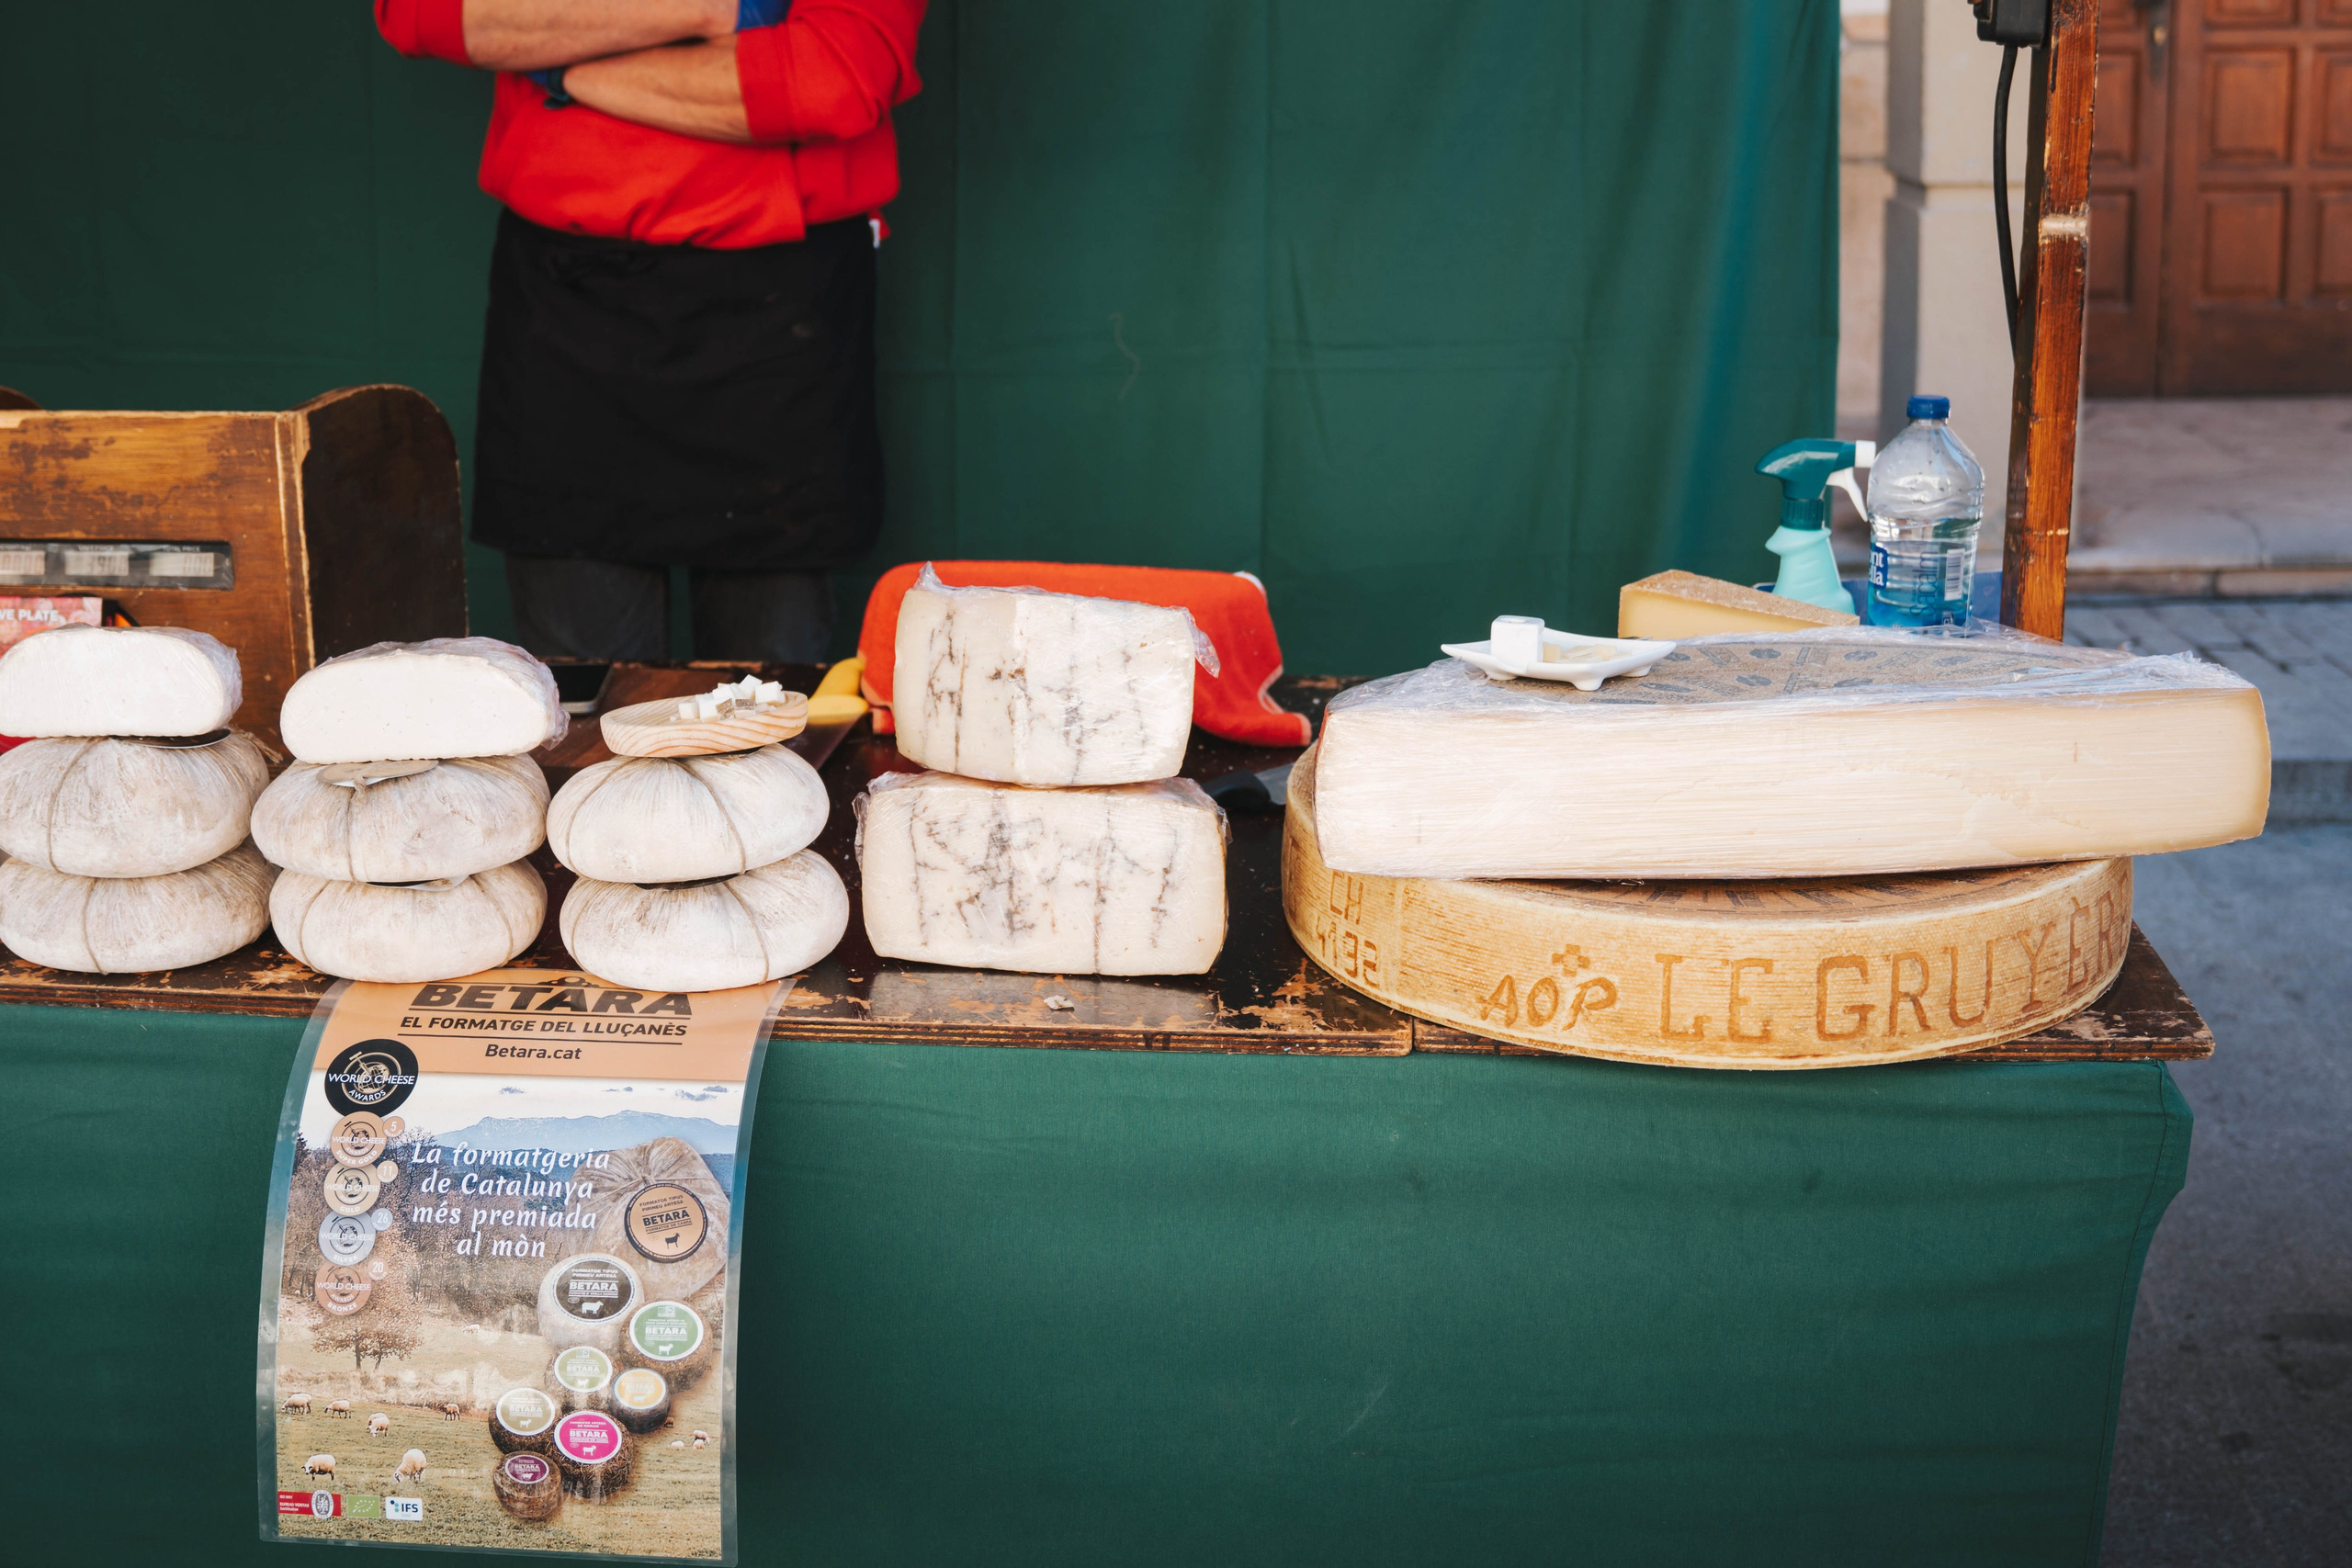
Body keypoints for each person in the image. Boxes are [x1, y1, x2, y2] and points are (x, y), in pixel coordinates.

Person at [374, 0, 926, 662]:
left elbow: (826, 82)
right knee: (585, 715)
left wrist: (556, 68)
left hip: (780, 315)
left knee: (766, 717)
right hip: (568, 301)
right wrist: (724, 10)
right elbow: (425, 16)